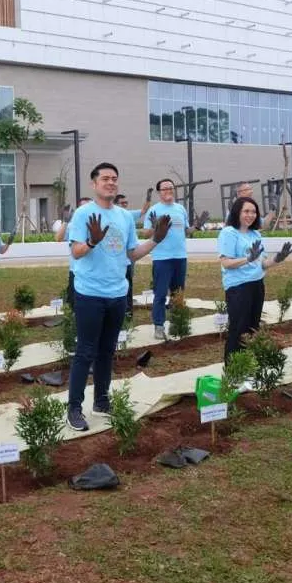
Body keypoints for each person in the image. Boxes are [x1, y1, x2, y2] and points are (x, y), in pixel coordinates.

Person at [65, 163, 169, 431]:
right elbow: (75, 252)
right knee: (86, 351)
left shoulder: (124, 217)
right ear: (94, 183)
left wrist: (156, 239)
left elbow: (132, 254)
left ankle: (101, 400)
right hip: (89, 292)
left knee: (107, 351)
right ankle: (74, 408)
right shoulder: (83, 214)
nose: (110, 183)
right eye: (105, 179)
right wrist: (91, 242)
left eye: (114, 179)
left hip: (117, 293)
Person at [217, 197, 292, 359]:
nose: (250, 215)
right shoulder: (229, 233)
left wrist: (277, 259)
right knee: (238, 329)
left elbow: (262, 264)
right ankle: (233, 370)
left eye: (253, 212)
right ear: (237, 212)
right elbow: (226, 262)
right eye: (246, 211)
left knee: (253, 328)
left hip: (257, 285)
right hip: (238, 288)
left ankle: (248, 366)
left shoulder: (255, 234)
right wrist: (247, 259)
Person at [141, 178, 189, 340]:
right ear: (159, 192)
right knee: (160, 294)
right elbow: (145, 233)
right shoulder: (154, 210)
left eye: (170, 188)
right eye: (164, 189)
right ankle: (159, 326)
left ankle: (178, 323)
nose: (168, 191)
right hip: (162, 258)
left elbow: (185, 231)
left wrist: (195, 227)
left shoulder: (181, 209)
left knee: (178, 293)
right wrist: (156, 227)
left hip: (180, 257)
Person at [55, 197, 91, 306]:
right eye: (83, 207)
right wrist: (66, 221)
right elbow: (58, 238)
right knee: (74, 305)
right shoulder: (73, 226)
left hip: (93, 273)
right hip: (75, 272)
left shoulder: (98, 225)